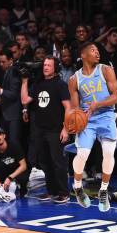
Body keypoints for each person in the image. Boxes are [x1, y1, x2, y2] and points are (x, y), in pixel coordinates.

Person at [68, 41, 117, 212]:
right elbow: (76, 108)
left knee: (108, 152)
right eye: (93, 50)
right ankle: (77, 187)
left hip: (106, 115)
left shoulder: (105, 70)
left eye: (98, 50)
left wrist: (98, 104)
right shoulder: (74, 79)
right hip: (87, 119)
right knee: (82, 153)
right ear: (83, 55)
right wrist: (74, 120)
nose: (97, 53)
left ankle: (103, 190)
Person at [21, 56, 71, 203]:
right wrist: (24, 82)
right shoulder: (38, 83)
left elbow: (68, 107)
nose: (45, 67)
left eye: (49, 65)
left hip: (55, 129)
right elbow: (24, 100)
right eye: (44, 65)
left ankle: (64, 193)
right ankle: (51, 191)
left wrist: (66, 129)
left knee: (58, 162)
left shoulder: (60, 84)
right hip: (40, 130)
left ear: (55, 68)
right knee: (45, 162)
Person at [0, 126, 28, 202]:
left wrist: (10, 178)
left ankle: (19, 188)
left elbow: (24, 166)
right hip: (5, 177)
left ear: (4, 136)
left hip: (17, 174)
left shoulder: (14, 146)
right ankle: (5, 192)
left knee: (23, 178)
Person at [0, 48, 22, 149]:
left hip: (13, 114)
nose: (1, 64)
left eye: (3, 62)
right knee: (9, 141)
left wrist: (0, 91)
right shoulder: (7, 71)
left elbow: (14, 94)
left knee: (14, 141)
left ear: (11, 60)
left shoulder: (14, 72)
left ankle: (21, 163)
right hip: (6, 113)